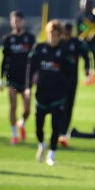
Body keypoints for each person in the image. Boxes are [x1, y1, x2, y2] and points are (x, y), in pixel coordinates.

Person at [25, 20, 66, 166]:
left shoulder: (63, 50)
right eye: (51, 34)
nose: (53, 37)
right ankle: (42, 144)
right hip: (41, 93)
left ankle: (52, 154)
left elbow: (68, 73)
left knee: (56, 126)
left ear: (60, 36)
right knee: (38, 127)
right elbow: (30, 68)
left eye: (56, 35)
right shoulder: (39, 48)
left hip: (57, 95)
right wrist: (28, 86)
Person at [0, 10, 35, 145]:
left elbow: (34, 59)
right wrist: (1, 78)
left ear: (22, 21)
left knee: (27, 110)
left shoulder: (29, 38)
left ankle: (22, 123)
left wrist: (35, 75)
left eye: (19, 20)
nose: (16, 23)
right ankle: (14, 135)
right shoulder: (8, 39)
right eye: (14, 20)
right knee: (13, 106)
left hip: (26, 79)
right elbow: (4, 60)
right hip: (12, 78)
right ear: (11, 22)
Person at [57, 21, 89, 147]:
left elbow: (86, 56)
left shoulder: (76, 43)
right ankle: (58, 131)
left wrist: (87, 69)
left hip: (72, 80)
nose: (67, 35)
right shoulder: (58, 43)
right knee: (59, 107)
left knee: (69, 106)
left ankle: (63, 133)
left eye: (69, 32)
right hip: (58, 80)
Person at [75, 0, 95, 85]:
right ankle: (87, 76)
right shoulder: (80, 16)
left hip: (93, 40)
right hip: (83, 40)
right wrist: (87, 27)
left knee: (94, 57)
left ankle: (93, 74)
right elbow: (79, 28)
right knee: (86, 58)